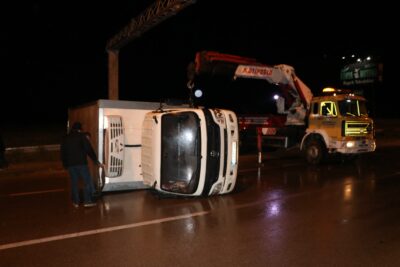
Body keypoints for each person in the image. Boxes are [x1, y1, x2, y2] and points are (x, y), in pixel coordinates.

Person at [61, 122, 102, 208]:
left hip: (71, 165)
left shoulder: (65, 138)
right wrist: (95, 160)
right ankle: (87, 201)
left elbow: (63, 152)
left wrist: (65, 164)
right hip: (81, 164)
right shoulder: (82, 136)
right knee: (87, 182)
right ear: (80, 129)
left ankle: (76, 202)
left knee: (74, 183)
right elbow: (88, 149)